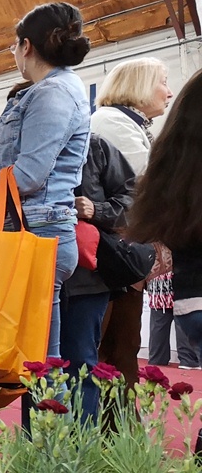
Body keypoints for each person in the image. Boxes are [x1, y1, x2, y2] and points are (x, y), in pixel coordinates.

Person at [0, 2, 91, 426]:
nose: (13, 53)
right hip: (32, 228)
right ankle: (43, 449)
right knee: (34, 357)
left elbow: (28, 175)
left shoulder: (52, 93)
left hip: (34, 232)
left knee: (40, 361)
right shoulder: (53, 92)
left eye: (15, 45)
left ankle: (50, 452)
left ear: (26, 46)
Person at [89, 57, 197, 379]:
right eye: (163, 81)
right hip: (111, 258)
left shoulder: (128, 125)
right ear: (139, 86)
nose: (169, 91)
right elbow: (152, 186)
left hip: (121, 257)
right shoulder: (113, 124)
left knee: (120, 350)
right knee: (113, 351)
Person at [59, 134, 136, 423]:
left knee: (81, 361)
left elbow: (133, 200)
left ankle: (83, 447)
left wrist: (95, 209)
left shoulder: (96, 147)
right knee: (37, 367)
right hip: (33, 272)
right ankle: (38, 449)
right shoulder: (20, 150)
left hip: (86, 275)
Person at [128, 68, 202, 367]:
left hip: (189, 294)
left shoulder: (174, 159)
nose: (168, 92)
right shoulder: (123, 129)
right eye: (162, 83)